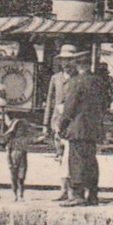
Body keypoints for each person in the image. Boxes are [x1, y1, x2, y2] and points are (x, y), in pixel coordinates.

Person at [57, 46, 110, 207]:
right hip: (93, 128)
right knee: (91, 161)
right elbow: (106, 104)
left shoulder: (76, 82)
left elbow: (69, 108)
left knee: (77, 161)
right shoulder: (99, 82)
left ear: (77, 64)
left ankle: (78, 194)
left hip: (77, 128)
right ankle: (93, 194)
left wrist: (62, 125)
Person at [43, 48, 76, 201]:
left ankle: (72, 191)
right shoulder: (56, 78)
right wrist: (46, 124)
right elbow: (50, 101)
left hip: (72, 122)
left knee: (71, 157)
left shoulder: (78, 78)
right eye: (64, 60)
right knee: (60, 156)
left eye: (69, 60)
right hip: (57, 122)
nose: (66, 63)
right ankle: (63, 189)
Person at [2, 110, 35, 201]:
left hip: (22, 158)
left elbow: (33, 140)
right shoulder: (12, 141)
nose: (20, 130)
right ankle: (15, 194)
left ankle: (20, 194)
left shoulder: (23, 139)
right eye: (18, 129)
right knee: (14, 177)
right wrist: (9, 162)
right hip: (14, 159)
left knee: (21, 177)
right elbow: (8, 151)